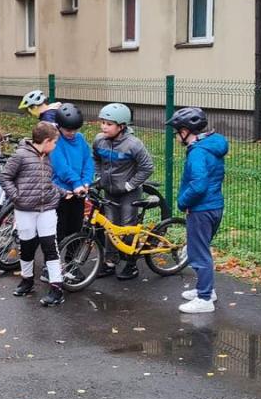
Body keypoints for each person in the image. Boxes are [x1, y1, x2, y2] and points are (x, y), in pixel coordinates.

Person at [167, 107, 229, 314]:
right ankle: (207, 290)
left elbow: (199, 184)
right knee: (201, 250)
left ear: (186, 131)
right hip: (214, 205)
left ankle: (204, 299)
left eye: (177, 132)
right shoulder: (211, 146)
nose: (176, 137)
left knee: (198, 253)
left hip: (201, 209)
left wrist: (183, 202)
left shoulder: (198, 152)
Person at [0, 121, 65, 307]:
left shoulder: (48, 156)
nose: (55, 146)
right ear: (46, 141)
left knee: (49, 247)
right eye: (54, 142)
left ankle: (56, 288)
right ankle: (27, 280)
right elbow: (6, 177)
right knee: (27, 246)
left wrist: (61, 192)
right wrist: (16, 197)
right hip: (25, 209)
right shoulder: (21, 155)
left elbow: (45, 182)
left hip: (47, 209)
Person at [92, 103, 154, 281]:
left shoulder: (133, 144)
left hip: (128, 193)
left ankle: (130, 263)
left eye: (109, 124)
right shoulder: (99, 140)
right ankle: (111, 261)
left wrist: (130, 185)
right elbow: (95, 157)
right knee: (110, 227)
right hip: (109, 191)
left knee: (127, 227)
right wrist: (98, 176)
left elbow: (147, 167)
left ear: (122, 126)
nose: (104, 126)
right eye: (103, 122)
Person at [49, 104, 93, 241]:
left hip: (79, 191)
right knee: (59, 227)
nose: (72, 133)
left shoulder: (80, 139)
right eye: (68, 130)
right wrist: (76, 183)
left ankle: (71, 260)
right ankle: (54, 261)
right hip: (62, 192)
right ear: (59, 126)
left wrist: (86, 181)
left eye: (75, 129)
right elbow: (61, 167)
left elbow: (88, 162)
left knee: (76, 228)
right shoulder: (56, 141)